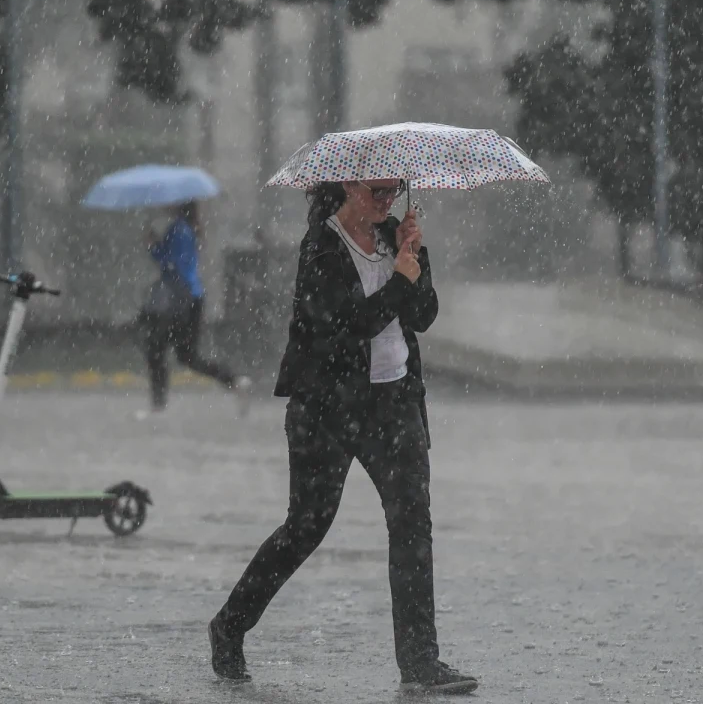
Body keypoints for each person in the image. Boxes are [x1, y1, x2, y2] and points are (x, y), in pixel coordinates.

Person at [207, 179, 478, 694]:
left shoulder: (399, 237)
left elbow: (422, 316)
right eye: (377, 190)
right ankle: (229, 624)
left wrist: (414, 263)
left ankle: (421, 663)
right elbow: (350, 324)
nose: (387, 199)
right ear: (348, 186)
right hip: (326, 406)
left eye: (394, 190)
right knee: (306, 526)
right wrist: (399, 278)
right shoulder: (320, 249)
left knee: (412, 526)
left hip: (394, 402)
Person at [143, 201, 251, 412]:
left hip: (180, 301)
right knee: (187, 356)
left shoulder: (179, 230)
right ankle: (234, 381)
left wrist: (153, 245)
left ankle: (158, 403)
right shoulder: (185, 228)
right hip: (190, 299)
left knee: (156, 347)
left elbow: (171, 264)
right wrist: (155, 245)